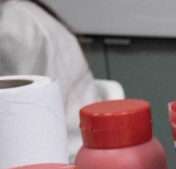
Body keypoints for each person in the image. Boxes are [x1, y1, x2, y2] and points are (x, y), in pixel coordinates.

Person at [0, 0, 101, 157]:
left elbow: (17, 113)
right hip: (65, 144)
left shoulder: (15, 24)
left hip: (62, 152)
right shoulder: (18, 15)